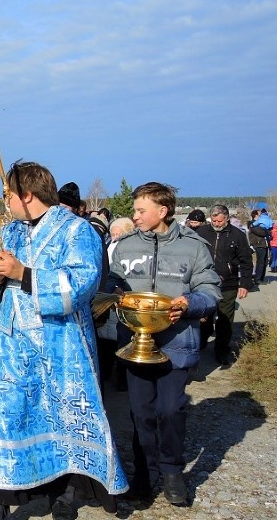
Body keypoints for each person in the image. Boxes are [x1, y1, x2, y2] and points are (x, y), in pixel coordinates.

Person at [0, 162, 128, 520]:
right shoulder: (2, 233)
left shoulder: (77, 231)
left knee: (63, 418)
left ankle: (66, 495)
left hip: (62, 346)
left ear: (27, 195)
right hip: (10, 349)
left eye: (9, 194)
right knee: (8, 419)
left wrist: (23, 273)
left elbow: (82, 285)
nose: (5, 201)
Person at [108, 182, 220, 507]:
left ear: (163, 210)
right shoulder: (126, 246)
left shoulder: (194, 247)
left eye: (140, 210)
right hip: (136, 345)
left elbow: (210, 289)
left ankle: (172, 470)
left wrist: (190, 303)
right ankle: (144, 474)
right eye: (134, 210)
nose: (134, 215)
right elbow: (114, 280)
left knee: (171, 410)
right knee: (141, 413)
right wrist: (114, 292)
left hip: (177, 343)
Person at [195, 205, 253, 365]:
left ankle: (221, 350)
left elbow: (246, 261)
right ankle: (201, 342)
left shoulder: (237, 235)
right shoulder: (201, 232)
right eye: (214, 221)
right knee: (204, 316)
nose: (216, 224)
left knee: (224, 319)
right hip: (204, 283)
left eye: (220, 221)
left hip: (228, 284)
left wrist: (245, 284)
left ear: (227, 218)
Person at [96, 216, 136, 392]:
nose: (114, 237)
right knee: (109, 341)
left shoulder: (130, 249)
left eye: (117, 234)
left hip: (124, 299)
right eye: (112, 234)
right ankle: (109, 373)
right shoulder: (109, 246)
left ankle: (122, 378)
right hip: (111, 298)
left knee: (124, 341)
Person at [248, 208, 272, 284]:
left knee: (265, 262)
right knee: (260, 262)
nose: (261, 216)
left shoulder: (261, 224)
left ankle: (261, 278)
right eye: (259, 214)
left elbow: (269, 231)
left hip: (264, 244)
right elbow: (262, 232)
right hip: (258, 244)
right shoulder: (253, 225)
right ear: (255, 215)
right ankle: (257, 279)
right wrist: (268, 231)